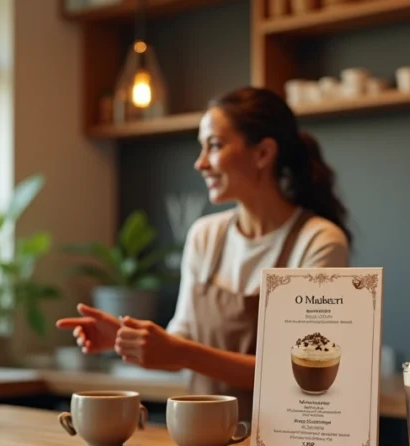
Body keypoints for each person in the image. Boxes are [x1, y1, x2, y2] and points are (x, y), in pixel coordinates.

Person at [57, 87, 352, 421]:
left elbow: (302, 372)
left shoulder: (318, 242)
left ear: (263, 153)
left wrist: (182, 352)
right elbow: (181, 344)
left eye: (214, 145)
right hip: (201, 440)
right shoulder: (205, 236)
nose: (200, 163)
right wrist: (126, 339)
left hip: (284, 444)